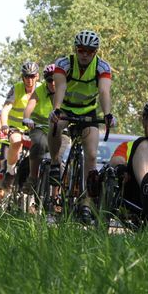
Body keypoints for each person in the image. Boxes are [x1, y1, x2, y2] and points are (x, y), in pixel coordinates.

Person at [48, 30, 114, 224]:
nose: (85, 54)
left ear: (95, 52)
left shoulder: (102, 67)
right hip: (67, 109)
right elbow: (60, 87)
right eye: (81, 50)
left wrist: (108, 114)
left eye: (90, 51)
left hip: (88, 112)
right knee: (55, 126)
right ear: (75, 50)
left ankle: (86, 202)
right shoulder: (64, 64)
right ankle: (54, 162)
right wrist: (57, 109)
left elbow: (104, 91)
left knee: (92, 155)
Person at [21, 64, 69, 194]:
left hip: (60, 131)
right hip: (40, 127)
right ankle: (33, 178)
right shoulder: (40, 90)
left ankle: (56, 196)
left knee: (58, 159)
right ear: (45, 80)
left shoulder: (66, 90)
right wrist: (27, 118)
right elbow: (29, 107)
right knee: (38, 144)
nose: (53, 83)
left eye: (55, 80)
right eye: (49, 80)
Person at [0, 61, 39, 186]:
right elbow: (6, 108)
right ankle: (10, 171)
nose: (29, 80)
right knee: (16, 141)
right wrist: (4, 125)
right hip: (15, 127)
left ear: (37, 76)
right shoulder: (16, 88)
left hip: (35, 127)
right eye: (27, 76)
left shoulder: (42, 89)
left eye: (32, 76)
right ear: (22, 77)